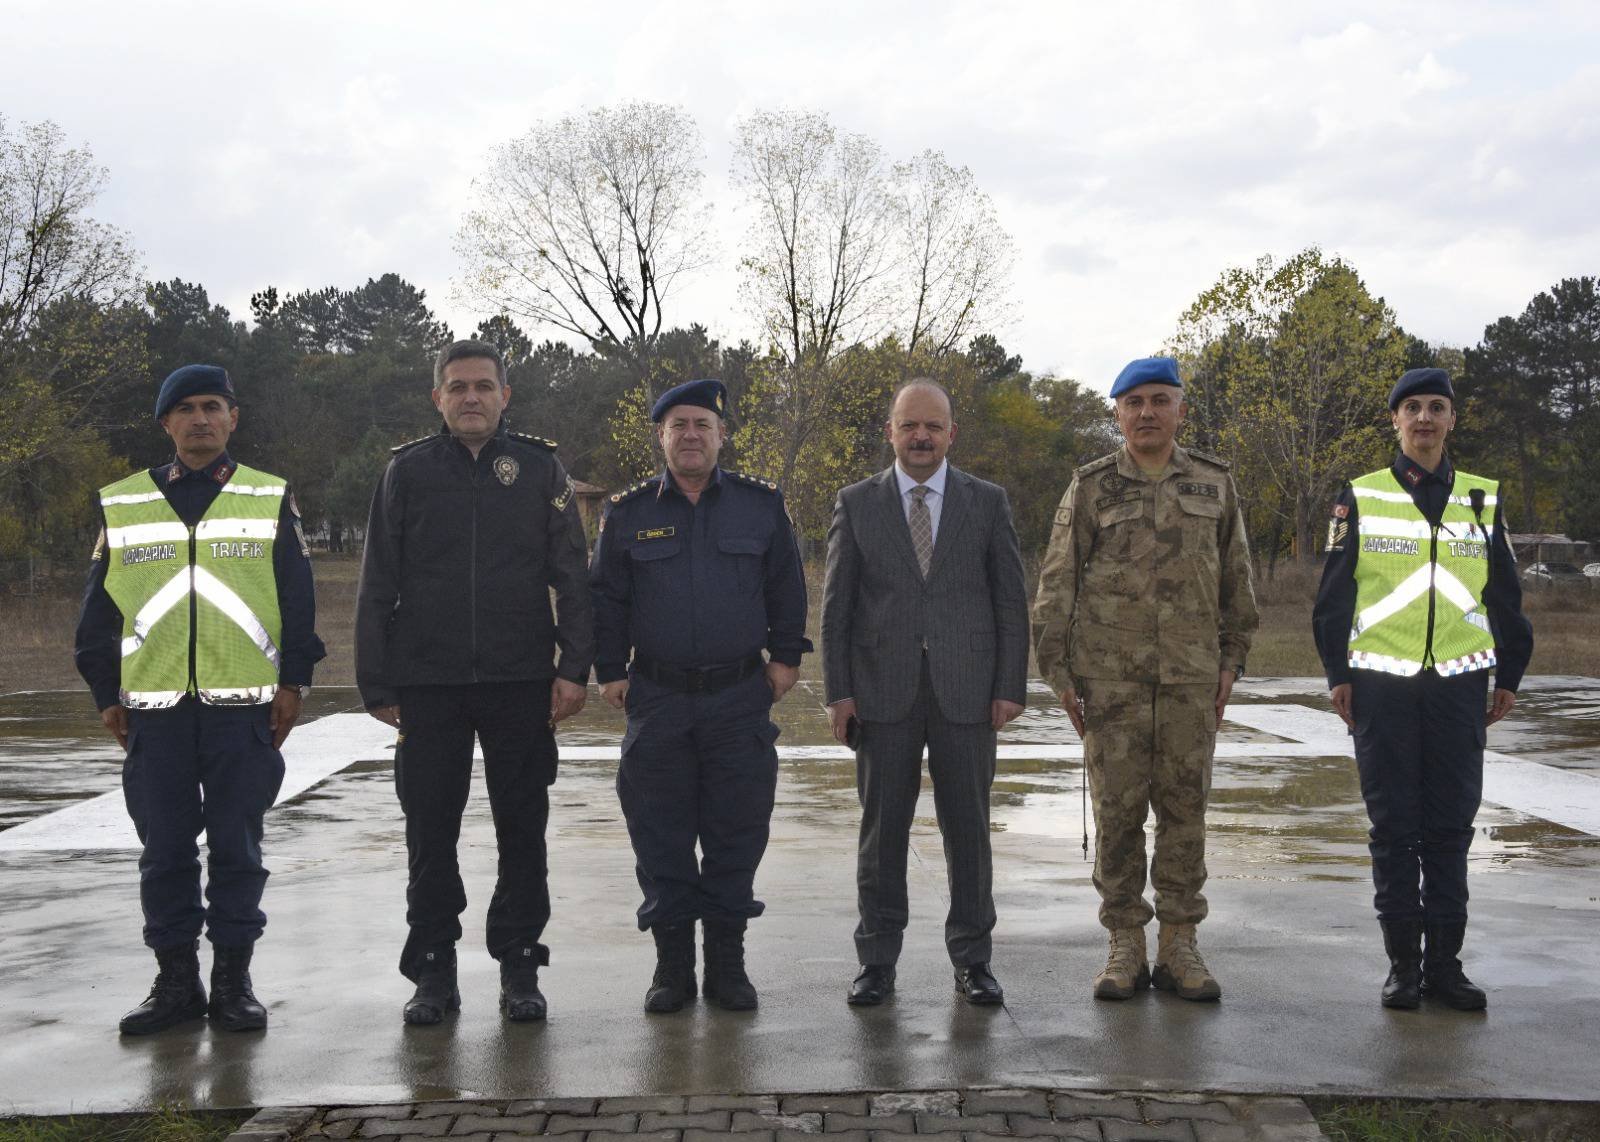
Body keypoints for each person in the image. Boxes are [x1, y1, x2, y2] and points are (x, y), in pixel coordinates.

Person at [74, 364, 325, 1035]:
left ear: (233, 418)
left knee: (237, 848)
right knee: (164, 853)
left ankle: (233, 982)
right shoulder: (124, 503)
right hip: (152, 714)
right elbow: (98, 617)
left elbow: (298, 603)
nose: (200, 419)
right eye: (185, 409)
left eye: (213, 406)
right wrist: (106, 692)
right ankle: (175, 984)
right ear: (166, 423)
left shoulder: (268, 497)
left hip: (243, 711)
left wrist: (292, 683)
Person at [355, 339, 594, 1025]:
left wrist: (573, 669)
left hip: (521, 680)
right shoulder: (407, 473)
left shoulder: (542, 469)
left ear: (504, 396)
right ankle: (433, 970)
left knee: (523, 830)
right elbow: (378, 583)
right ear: (437, 397)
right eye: (457, 387)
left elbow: (572, 577)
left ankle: (520, 963)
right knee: (430, 832)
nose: (470, 397)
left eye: (483, 386)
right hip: (427, 684)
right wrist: (379, 684)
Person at [1032, 356, 1258, 1003]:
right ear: (1117, 415)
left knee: (1186, 816)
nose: (1148, 413)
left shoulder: (1215, 484)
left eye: (1160, 400)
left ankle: (1180, 943)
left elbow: (1235, 583)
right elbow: (1057, 584)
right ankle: (1125, 943)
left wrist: (1231, 660)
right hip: (1112, 685)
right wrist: (1061, 675)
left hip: (1189, 683)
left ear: (1181, 409)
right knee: (1119, 817)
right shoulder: (1093, 487)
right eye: (1134, 403)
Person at [1312, 367, 1532, 1012]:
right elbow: (1334, 597)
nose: (1425, 419)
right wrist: (1338, 674)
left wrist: (1510, 674)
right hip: (1382, 687)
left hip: (1460, 687)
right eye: (1412, 408)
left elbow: (1505, 594)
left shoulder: (1482, 499)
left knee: (1450, 827)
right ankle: (1401, 969)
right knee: (1393, 827)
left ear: (1452, 419)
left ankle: (1447, 967)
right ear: (1396, 421)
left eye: (1437, 407)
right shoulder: (1360, 496)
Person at [589, 378, 811, 1014]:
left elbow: (787, 588)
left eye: (702, 426)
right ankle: (672, 970)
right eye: (678, 425)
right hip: (657, 698)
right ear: (661, 436)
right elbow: (605, 597)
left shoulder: (760, 506)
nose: (690, 436)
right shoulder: (628, 514)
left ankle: (728, 967)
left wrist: (787, 659)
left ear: (720, 436)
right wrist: (610, 669)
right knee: (659, 837)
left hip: (738, 696)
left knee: (736, 832)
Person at [821, 380, 1029, 1007]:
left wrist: (1009, 686)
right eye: (909, 425)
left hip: (968, 694)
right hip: (882, 696)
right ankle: (877, 962)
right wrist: (838, 693)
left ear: (950, 434)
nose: (921, 437)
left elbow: (1010, 603)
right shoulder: (857, 503)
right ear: (891, 431)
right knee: (882, 833)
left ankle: (973, 960)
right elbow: (836, 609)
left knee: (968, 832)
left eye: (933, 427)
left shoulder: (986, 503)